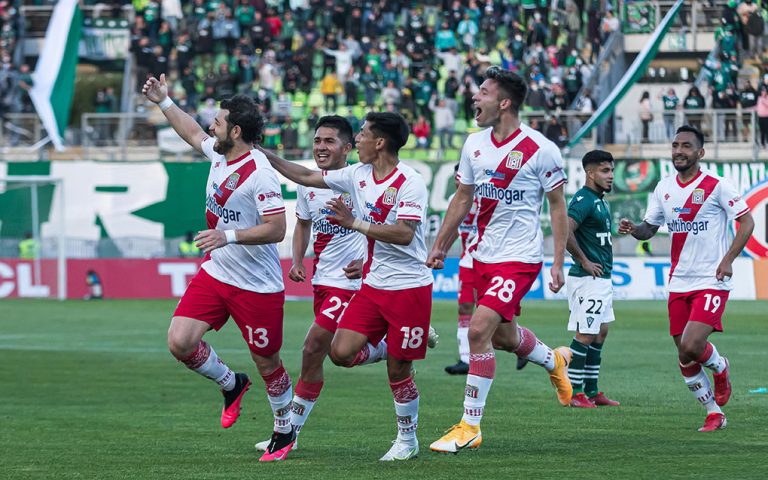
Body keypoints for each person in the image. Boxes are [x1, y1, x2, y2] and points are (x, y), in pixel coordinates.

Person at [261, 112, 434, 461]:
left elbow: (404, 233)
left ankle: (407, 439)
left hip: (409, 286)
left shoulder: (409, 181)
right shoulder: (357, 174)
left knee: (398, 370)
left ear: (380, 142)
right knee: (339, 353)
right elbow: (306, 175)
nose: (358, 140)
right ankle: (388, 344)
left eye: (365, 134)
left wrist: (354, 223)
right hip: (372, 285)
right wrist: (260, 152)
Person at [142, 74, 296, 462]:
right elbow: (192, 132)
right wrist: (164, 102)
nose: (213, 124)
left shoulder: (259, 172)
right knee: (179, 341)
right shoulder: (219, 152)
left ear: (237, 130)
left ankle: (284, 429)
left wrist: (228, 236)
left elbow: (277, 228)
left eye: (220, 120)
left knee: (268, 361)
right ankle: (231, 383)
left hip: (257, 286)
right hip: (218, 272)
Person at [427, 66, 572, 454]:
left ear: (504, 102)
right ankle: (554, 360)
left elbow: (558, 208)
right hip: (483, 255)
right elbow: (462, 198)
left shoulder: (541, 148)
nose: (476, 97)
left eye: (484, 92)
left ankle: (470, 425)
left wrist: (557, 261)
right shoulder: (473, 144)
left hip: (519, 258)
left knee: (477, 332)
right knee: (504, 337)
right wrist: (441, 243)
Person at [618, 125, 754, 432]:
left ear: (700, 153)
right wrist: (633, 229)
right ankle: (713, 412)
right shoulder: (663, 188)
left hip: (711, 278)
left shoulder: (717, 186)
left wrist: (728, 259)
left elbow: (747, 222)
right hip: (679, 281)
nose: (679, 150)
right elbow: (649, 229)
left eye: (687, 146)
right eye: (676, 145)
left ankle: (720, 367)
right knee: (684, 354)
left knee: (693, 344)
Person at [254, 115, 376, 452]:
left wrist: (366, 261)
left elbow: (394, 231)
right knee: (326, 358)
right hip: (322, 282)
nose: (320, 147)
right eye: (317, 140)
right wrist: (296, 260)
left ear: (347, 148)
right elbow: (303, 224)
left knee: (311, 348)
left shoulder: (363, 182)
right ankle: (390, 344)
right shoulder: (309, 184)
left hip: (351, 285)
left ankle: (287, 434)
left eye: (329, 141)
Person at [564, 150, 620, 408]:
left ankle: (592, 390)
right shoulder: (583, 199)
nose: (610, 176)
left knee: (600, 332)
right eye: (604, 171)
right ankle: (574, 393)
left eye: (611, 170)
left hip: (602, 278)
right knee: (586, 333)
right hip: (588, 278)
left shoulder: (601, 201)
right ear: (590, 173)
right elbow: (565, 230)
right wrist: (584, 261)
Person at [445, 163, 480, 375]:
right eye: (456, 176)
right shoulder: (453, 201)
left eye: (463, 176)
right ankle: (466, 359)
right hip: (467, 262)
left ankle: (521, 346)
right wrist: (439, 251)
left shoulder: (486, 198)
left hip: (490, 261)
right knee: (464, 307)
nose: (458, 180)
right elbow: (454, 232)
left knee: (495, 314)